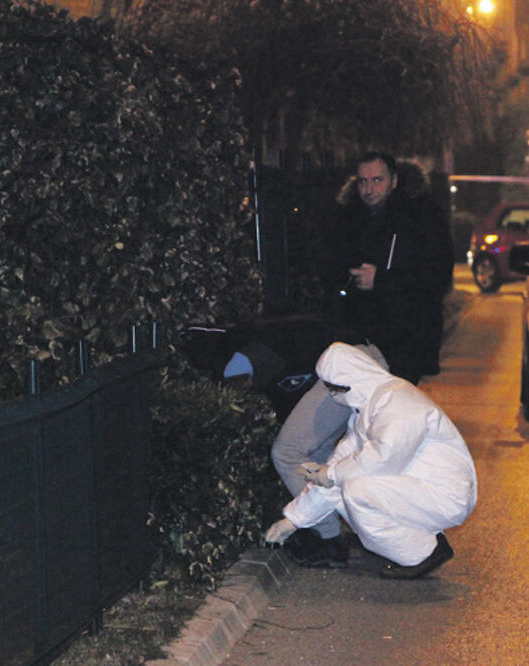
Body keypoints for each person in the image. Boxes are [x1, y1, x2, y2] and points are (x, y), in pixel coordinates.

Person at [181, 316, 387, 569]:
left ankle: (329, 540)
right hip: (366, 358)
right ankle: (364, 532)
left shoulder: (239, 357)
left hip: (346, 368)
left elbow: (236, 388)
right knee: (315, 457)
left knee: (287, 453)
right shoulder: (267, 334)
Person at [264, 342, 477, 579]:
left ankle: (423, 552)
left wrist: (333, 475)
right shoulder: (367, 412)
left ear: (351, 382)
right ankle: (420, 547)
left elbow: (383, 458)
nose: (333, 396)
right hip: (423, 489)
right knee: (348, 486)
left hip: (445, 494)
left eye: (334, 388)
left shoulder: (398, 402)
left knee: (357, 490)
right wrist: (292, 521)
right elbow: (336, 473)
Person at [327, 152, 454, 384]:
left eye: (377, 180)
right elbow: (331, 269)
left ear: (394, 181)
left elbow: (437, 275)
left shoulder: (421, 218)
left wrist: (382, 280)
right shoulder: (347, 220)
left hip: (406, 337)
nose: (369, 188)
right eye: (363, 181)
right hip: (360, 333)